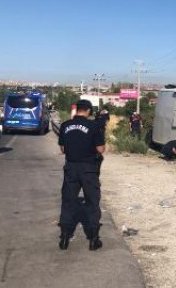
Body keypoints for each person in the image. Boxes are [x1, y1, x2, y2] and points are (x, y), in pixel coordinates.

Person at [58, 100, 106, 251]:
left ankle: (64, 238)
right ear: (89, 111)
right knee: (92, 202)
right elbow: (100, 149)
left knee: (68, 202)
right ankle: (93, 239)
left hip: (71, 167)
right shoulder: (94, 126)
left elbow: (62, 149)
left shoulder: (65, 125)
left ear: (77, 110)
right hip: (89, 169)